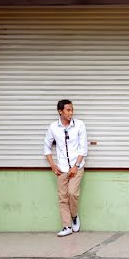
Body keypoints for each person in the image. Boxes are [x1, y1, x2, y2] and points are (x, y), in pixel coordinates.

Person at [43, 99, 88, 237]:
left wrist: (76, 166)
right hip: (61, 168)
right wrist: (53, 165)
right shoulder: (53, 127)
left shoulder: (79, 125)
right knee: (62, 197)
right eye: (68, 110)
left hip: (77, 166)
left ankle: (74, 216)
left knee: (72, 193)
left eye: (72, 110)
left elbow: (83, 148)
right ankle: (66, 226)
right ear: (60, 111)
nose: (71, 113)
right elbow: (46, 147)